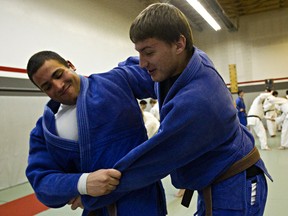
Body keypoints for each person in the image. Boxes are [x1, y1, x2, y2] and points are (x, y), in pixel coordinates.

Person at [94, 3, 271, 216]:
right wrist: (88, 86)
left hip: (235, 187)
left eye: (148, 52)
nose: (142, 62)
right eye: (139, 52)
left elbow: (152, 160)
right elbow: (130, 67)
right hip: (215, 180)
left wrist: (89, 189)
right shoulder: (190, 59)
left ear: (179, 44)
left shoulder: (198, 101)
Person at [25, 51, 167, 216]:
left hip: (141, 203)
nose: (58, 86)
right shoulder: (44, 130)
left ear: (70, 65)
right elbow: (42, 183)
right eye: (47, 86)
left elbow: (169, 70)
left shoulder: (117, 81)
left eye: (58, 74)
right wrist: (83, 183)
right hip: (96, 211)